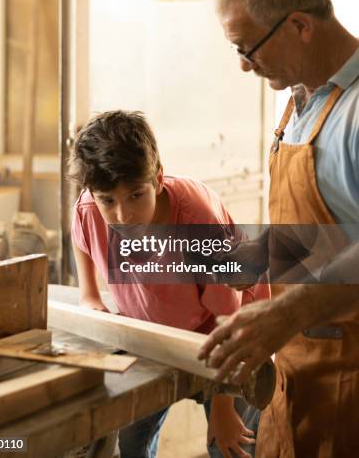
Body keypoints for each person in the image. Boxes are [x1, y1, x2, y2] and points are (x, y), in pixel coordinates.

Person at [198, 0, 359, 457]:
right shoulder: (301, 99)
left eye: (247, 47)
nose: (244, 65)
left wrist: (290, 308)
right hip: (296, 374)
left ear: (298, 26)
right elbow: (332, 228)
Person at [69, 110, 270, 458]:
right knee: (132, 441)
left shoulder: (196, 219)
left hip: (230, 334)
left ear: (158, 180)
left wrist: (222, 405)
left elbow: (228, 318)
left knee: (230, 444)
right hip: (153, 336)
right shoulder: (90, 207)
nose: (122, 215)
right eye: (108, 201)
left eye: (136, 195)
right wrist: (89, 294)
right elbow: (82, 233)